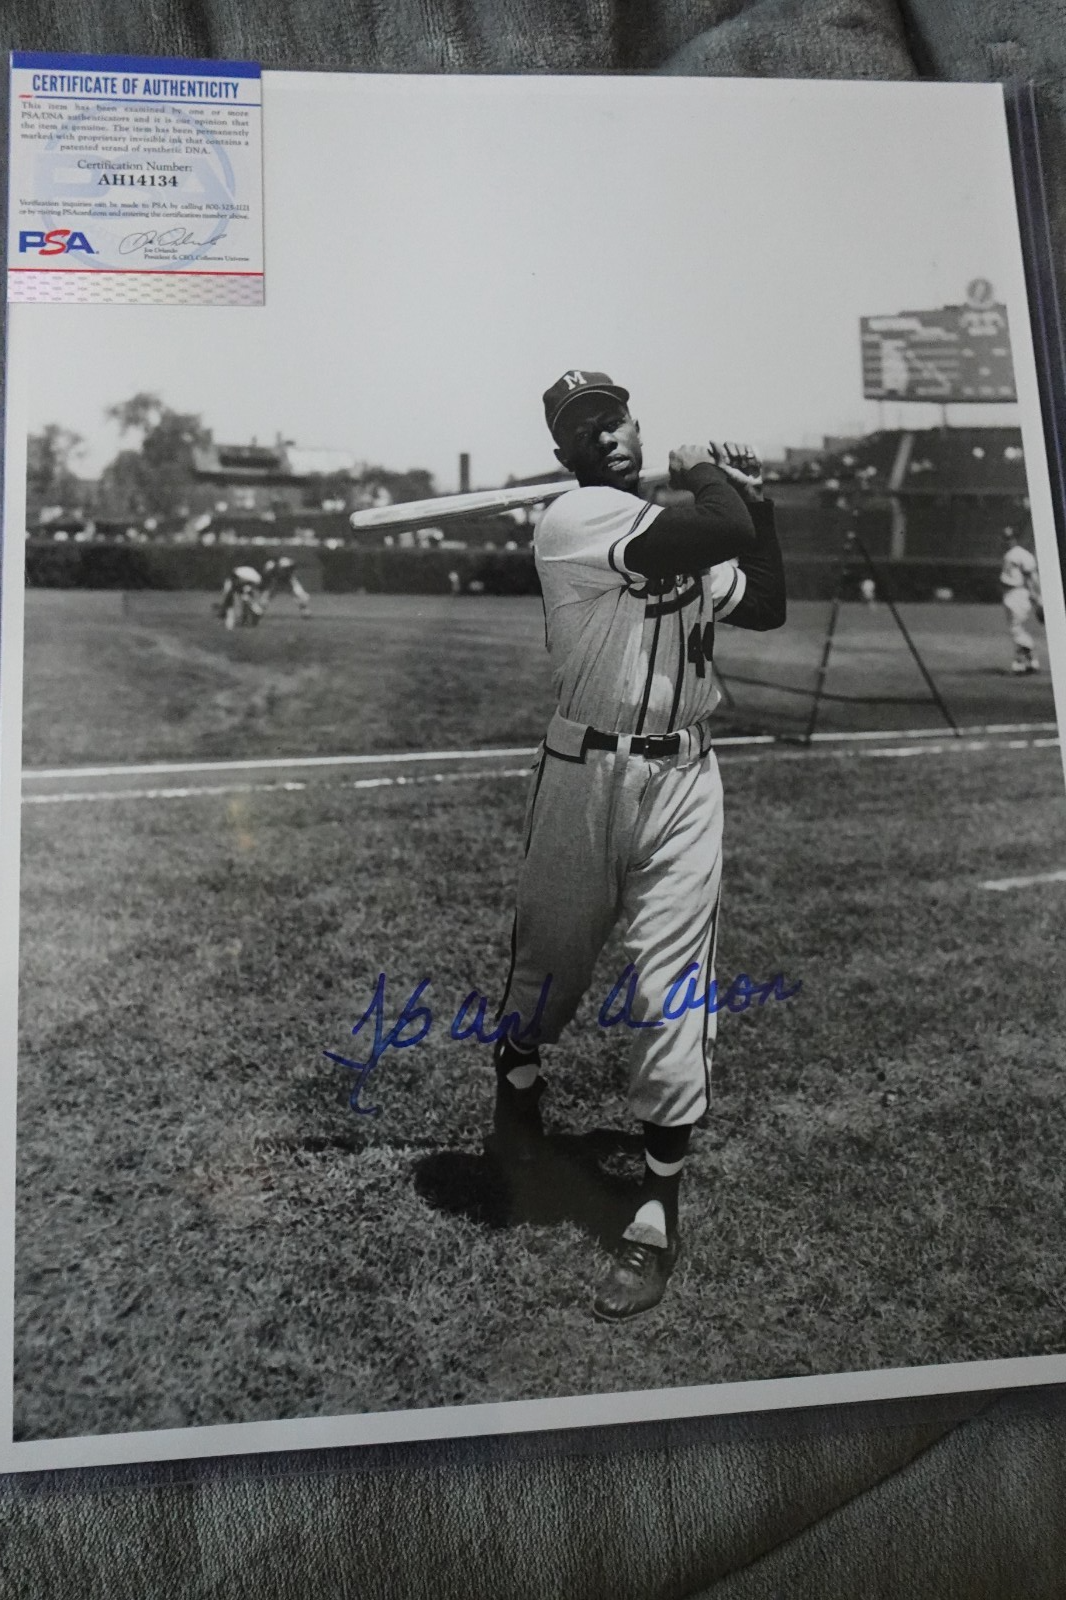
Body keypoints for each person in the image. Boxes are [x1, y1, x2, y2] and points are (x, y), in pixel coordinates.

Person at [490, 368, 786, 1321]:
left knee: (673, 990)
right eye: (587, 429)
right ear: (565, 455)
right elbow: (718, 528)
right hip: (586, 771)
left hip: (686, 777)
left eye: (617, 419)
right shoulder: (575, 520)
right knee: (552, 963)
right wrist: (711, 473)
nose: (609, 436)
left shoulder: (685, 532)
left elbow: (765, 601)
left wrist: (762, 508)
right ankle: (519, 1078)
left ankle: (656, 1205)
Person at [999, 525, 1043, 674]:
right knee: (1016, 629)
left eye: (1010, 538)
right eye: (1005, 538)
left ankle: (1021, 661)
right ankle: (1030, 662)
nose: (1007, 541)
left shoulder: (1022, 554)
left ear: (1015, 538)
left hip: (1018, 594)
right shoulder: (1009, 555)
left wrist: (1038, 597)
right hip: (1011, 595)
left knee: (1016, 629)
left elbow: (1032, 577)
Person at [217, 563, 264, 630]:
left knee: (240, 600)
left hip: (245, 582)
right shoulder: (247, 574)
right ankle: (253, 615)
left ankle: (254, 614)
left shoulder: (241, 575)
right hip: (246, 582)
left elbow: (238, 583)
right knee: (245, 600)